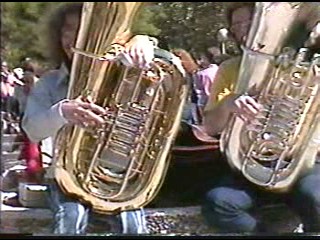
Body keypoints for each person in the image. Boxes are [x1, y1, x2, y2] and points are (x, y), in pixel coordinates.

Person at [22, 3, 157, 235]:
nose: (72, 38)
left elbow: (164, 75)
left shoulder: (126, 75)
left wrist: (144, 42)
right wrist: (61, 112)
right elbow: (32, 130)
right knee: (71, 221)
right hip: (66, 179)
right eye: (67, 29)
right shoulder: (48, 84)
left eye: (82, 28)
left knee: (133, 227)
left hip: (117, 178)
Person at [202, 2, 320, 234]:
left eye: (249, 21)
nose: (244, 28)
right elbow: (209, 127)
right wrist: (228, 104)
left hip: (303, 165)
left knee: (317, 198)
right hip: (248, 165)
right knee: (219, 202)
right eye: (237, 25)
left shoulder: (305, 68)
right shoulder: (228, 69)